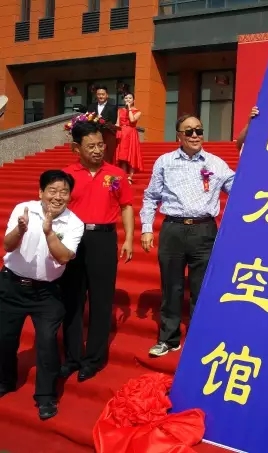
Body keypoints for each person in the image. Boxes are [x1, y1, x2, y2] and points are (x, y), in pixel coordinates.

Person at [140, 114, 235, 357]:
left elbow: (240, 189)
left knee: (201, 287)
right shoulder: (165, 161)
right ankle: (168, 339)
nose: (195, 135)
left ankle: (197, 338)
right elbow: (151, 197)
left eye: (199, 130)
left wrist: (253, 137)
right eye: (189, 131)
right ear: (179, 136)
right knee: (171, 286)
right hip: (173, 229)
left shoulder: (216, 163)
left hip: (204, 231)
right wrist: (147, 227)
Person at [0, 170, 84, 420]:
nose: (58, 197)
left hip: (47, 293)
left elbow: (64, 257)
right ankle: (5, 381)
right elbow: (7, 245)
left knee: (47, 342)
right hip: (12, 286)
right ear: (41, 192)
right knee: (4, 338)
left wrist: (49, 232)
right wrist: (20, 229)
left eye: (64, 192)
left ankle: (46, 396)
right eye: (52, 191)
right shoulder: (23, 209)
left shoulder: (74, 223)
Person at [59, 120, 134, 382]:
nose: (97, 150)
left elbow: (126, 206)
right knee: (72, 299)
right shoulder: (66, 175)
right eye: (90, 146)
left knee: (102, 301)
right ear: (76, 148)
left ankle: (93, 359)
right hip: (73, 240)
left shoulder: (116, 174)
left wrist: (129, 239)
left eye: (100, 145)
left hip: (103, 239)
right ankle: (72, 357)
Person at [115, 92, 143, 184]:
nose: (128, 100)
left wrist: (129, 109)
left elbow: (132, 120)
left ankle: (130, 177)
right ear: (124, 99)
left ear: (133, 100)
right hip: (122, 133)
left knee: (131, 155)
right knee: (122, 156)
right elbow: (118, 123)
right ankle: (124, 176)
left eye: (130, 98)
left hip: (131, 134)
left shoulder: (138, 111)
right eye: (126, 98)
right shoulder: (120, 110)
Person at [86, 85, 118, 164]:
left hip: (107, 135)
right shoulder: (91, 106)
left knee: (107, 156)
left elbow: (113, 122)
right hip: (94, 135)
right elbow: (88, 119)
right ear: (96, 95)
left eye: (103, 94)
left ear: (107, 95)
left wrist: (102, 122)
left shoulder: (112, 107)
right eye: (99, 94)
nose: (101, 96)